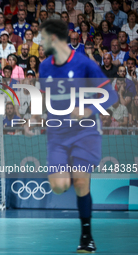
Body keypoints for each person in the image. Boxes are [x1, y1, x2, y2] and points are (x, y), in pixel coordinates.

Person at [39, 19, 118, 253]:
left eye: (43, 38)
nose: (40, 43)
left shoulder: (84, 64)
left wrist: (88, 109)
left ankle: (86, 236)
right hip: (57, 133)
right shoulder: (44, 67)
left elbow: (110, 96)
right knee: (59, 187)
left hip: (84, 131)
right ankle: (71, 170)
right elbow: (47, 97)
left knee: (82, 182)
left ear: (54, 39)